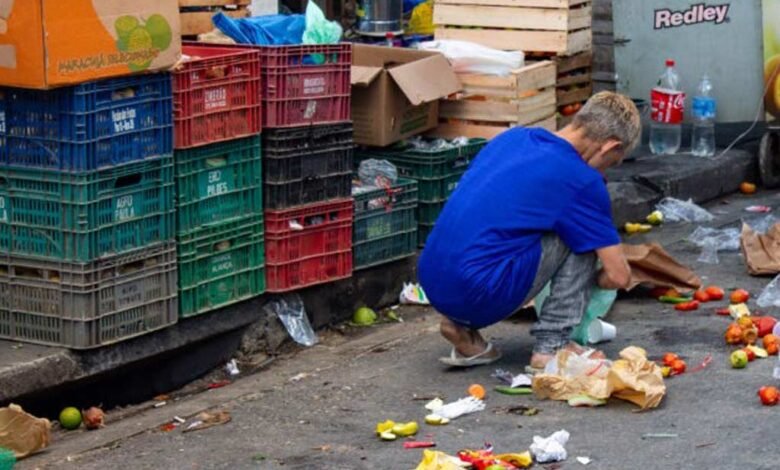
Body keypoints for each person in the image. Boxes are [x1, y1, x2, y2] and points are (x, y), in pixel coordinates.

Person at [418, 91, 641, 370]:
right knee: (584, 235)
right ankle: (552, 345)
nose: (606, 172)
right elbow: (619, 276)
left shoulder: (514, 138)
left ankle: (460, 330)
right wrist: (593, 282)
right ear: (609, 147)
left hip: (433, 278)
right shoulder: (582, 180)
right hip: (480, 291)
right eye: (613, 162)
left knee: (505, 230)